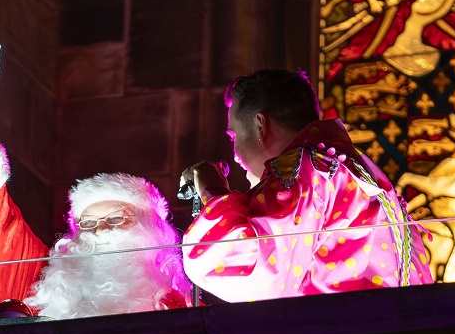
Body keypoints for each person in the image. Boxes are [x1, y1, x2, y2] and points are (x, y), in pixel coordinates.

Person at [0, 23, 192, 319]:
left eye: (117, 219)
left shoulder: (186, 308)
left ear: (154, 229)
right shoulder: (40, 288)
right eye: (88, 224)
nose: (101, 231)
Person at [180, 70, 433, 303]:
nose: (234, 155)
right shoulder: (351, 168)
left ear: (261, 125)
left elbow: (256, 270)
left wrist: (211, 193)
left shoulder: (306, 168)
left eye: (234, 136)